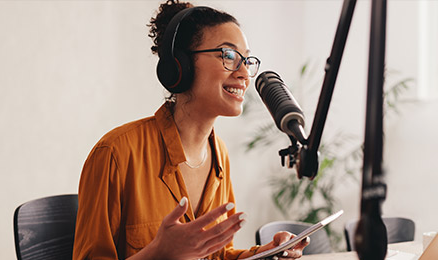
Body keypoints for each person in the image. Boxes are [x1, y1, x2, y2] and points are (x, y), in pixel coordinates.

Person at [73, 1, 309, 259]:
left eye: (247, 60)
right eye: (228, 56)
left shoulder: (219, 155)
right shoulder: (116, 154)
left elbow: (217, 255)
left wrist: (264, 253)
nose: (244, 73)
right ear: (180, 66)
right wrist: (158, 253)